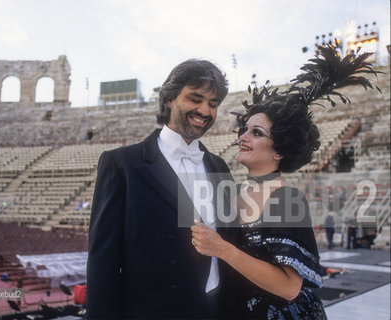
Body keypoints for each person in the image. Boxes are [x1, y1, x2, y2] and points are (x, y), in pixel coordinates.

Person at [191, 44, 380, 319]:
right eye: (245, 129)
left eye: (256, 133)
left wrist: (223, 249)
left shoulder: (286, 199)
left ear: (280, 149)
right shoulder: (232, 191)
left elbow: (290, 287)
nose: (243, 137)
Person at [86, 59, 233, 319]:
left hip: (214, 311)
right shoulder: (121, 164)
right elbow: (102, 263)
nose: (205, 111)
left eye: (213, 104)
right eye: (195, 99)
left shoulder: (219, 165)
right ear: (168, 99)